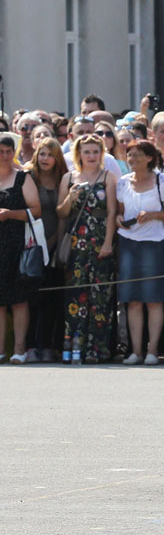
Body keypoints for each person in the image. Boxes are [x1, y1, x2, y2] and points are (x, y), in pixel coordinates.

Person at [115, 139, 164, 365]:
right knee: (131, 300)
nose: (132, 160)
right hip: (128, 243)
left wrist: (151, 215)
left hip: (154, 242)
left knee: (154, 299)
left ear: (150, 158)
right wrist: (119, 219)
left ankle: (152, 350)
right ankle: (136, 351)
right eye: (130, 155)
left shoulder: (162, 181)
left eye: (138, 155)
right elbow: (120, 212)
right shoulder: (122, 183)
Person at [57, 134, 117, 363]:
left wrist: (108, 242)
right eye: (87, 152)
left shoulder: (108, 177)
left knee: (100, 297)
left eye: (95, 152)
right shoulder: (68, 178)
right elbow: (61, 212)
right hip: (76, 244)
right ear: (78, 154)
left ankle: (97, 350)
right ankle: (74, 348)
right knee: (76, 297)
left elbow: (112, 212)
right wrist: (70, 197)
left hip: (100, 240)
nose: (91, 156)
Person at [25, 137, 68, 361]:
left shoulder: (63, 178)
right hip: (31, 244)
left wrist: (54, 242)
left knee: (53, 298)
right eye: (42, 153)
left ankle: (50, 345)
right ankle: (31, 345)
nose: (45, 158)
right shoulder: (29, 176)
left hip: (55, 243)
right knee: (32, 297)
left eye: (50, 154)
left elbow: (63, 214)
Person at [0, 134, 42, 364]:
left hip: (18, 243)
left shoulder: (22, 178)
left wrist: (9, 214)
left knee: (18, 300)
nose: (5, 156)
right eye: (1, 151)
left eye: (9, 151)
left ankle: (19, 349)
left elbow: (36, 210)